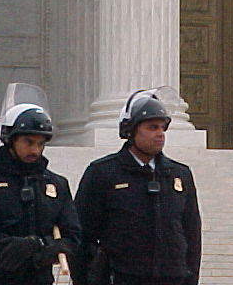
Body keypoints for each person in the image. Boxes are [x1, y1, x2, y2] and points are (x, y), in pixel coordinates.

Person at [71, 88, 202, 285]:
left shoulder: (180, 175)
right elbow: (81, 235)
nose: (160, 134)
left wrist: (190, 278)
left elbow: (192, 236)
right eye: (152, 127)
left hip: (172, 278)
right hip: (121, 278)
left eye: (162, 127)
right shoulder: (102, 173)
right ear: (131, 130)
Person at [0, 83, 81, 285]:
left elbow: (72, 235)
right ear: (10, 139)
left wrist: (50, 248)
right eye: (28, 141)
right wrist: (30, 247)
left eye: (40, 143)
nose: (35, 150)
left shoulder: (56, 184)